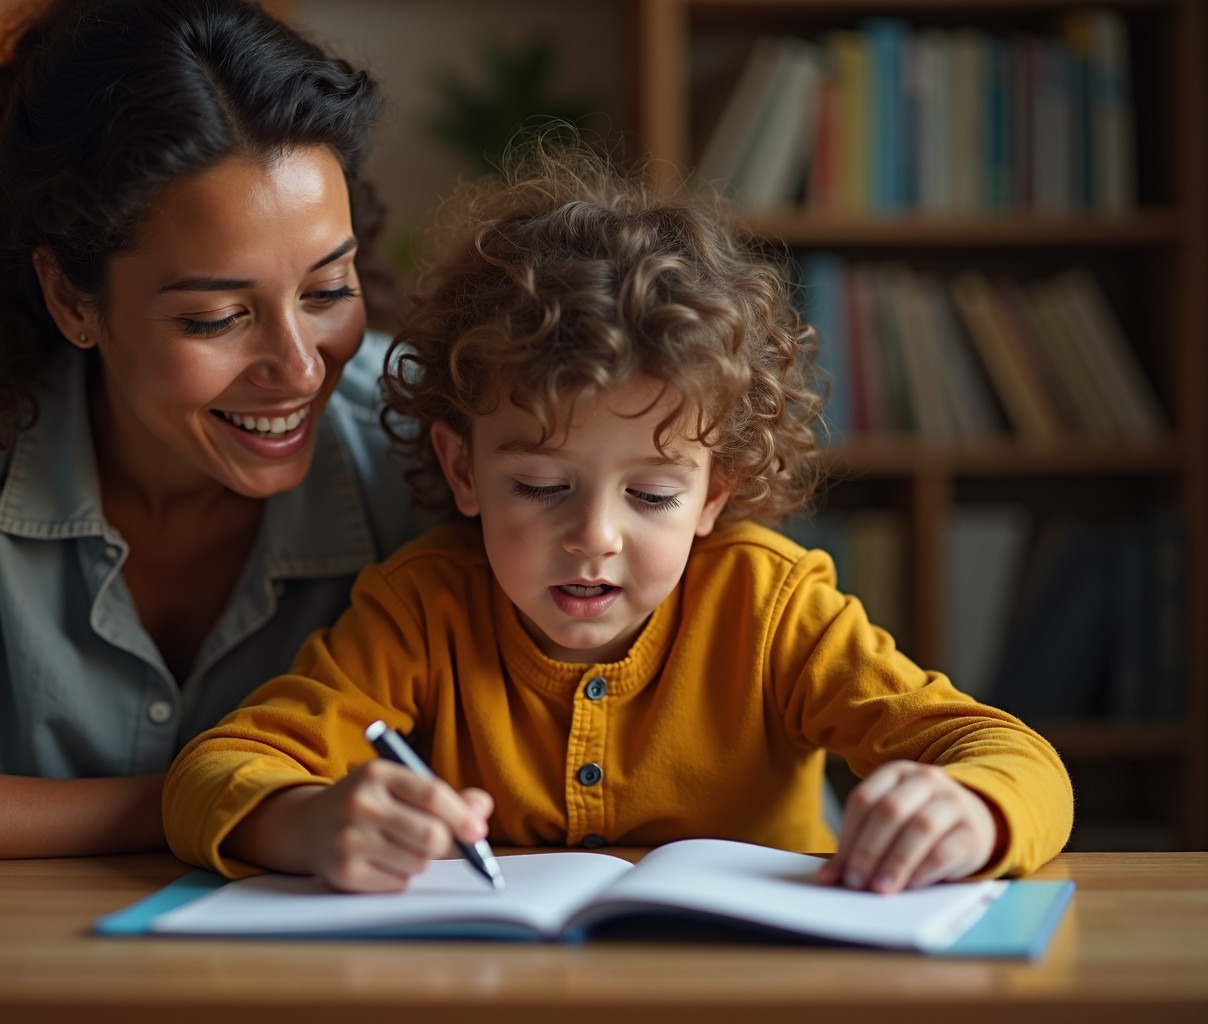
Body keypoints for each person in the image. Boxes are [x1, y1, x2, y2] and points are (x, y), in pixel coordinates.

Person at [161, 147, 1074, 896]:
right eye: (542, 486)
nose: (594, 536)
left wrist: (970, 810)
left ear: (714, 491)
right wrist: (313, 820)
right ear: (461, 469)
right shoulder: (420, 609)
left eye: (651, 496)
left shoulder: (770, 604)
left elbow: (1011, 755)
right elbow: (215, 772)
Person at [0, 0, 439, 961]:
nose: (302, 367)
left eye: (327, 291)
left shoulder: (406, 432)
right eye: (216, 317)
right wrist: (240, 803)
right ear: (73, 297)